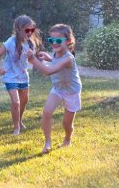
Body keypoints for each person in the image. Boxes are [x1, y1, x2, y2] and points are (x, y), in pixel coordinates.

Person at [27, 24, 81, 154]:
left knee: (66, 124)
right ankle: (47, 142)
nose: (54, 43)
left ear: (68, 41)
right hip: (58, 89)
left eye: (58, 40)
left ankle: (68, 138)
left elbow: (48, 71)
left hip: (72, 91)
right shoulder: (56, 54)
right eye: (51, 40)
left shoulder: (69, 58)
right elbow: (55, 62)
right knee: (46, 113)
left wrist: (33, 60)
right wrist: (49, 58)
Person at [0, 15, 42, 135]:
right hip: (10, 76)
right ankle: (16, 128)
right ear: (19, 29)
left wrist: (32, 56)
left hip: (23, 76)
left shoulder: (31, 43)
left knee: (24, 100)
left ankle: (19, 120)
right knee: (16, 102)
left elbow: (30, 61)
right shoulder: (11, 42)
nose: (30, 32)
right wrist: (0, 67)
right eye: (27, 30)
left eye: (32, 30)